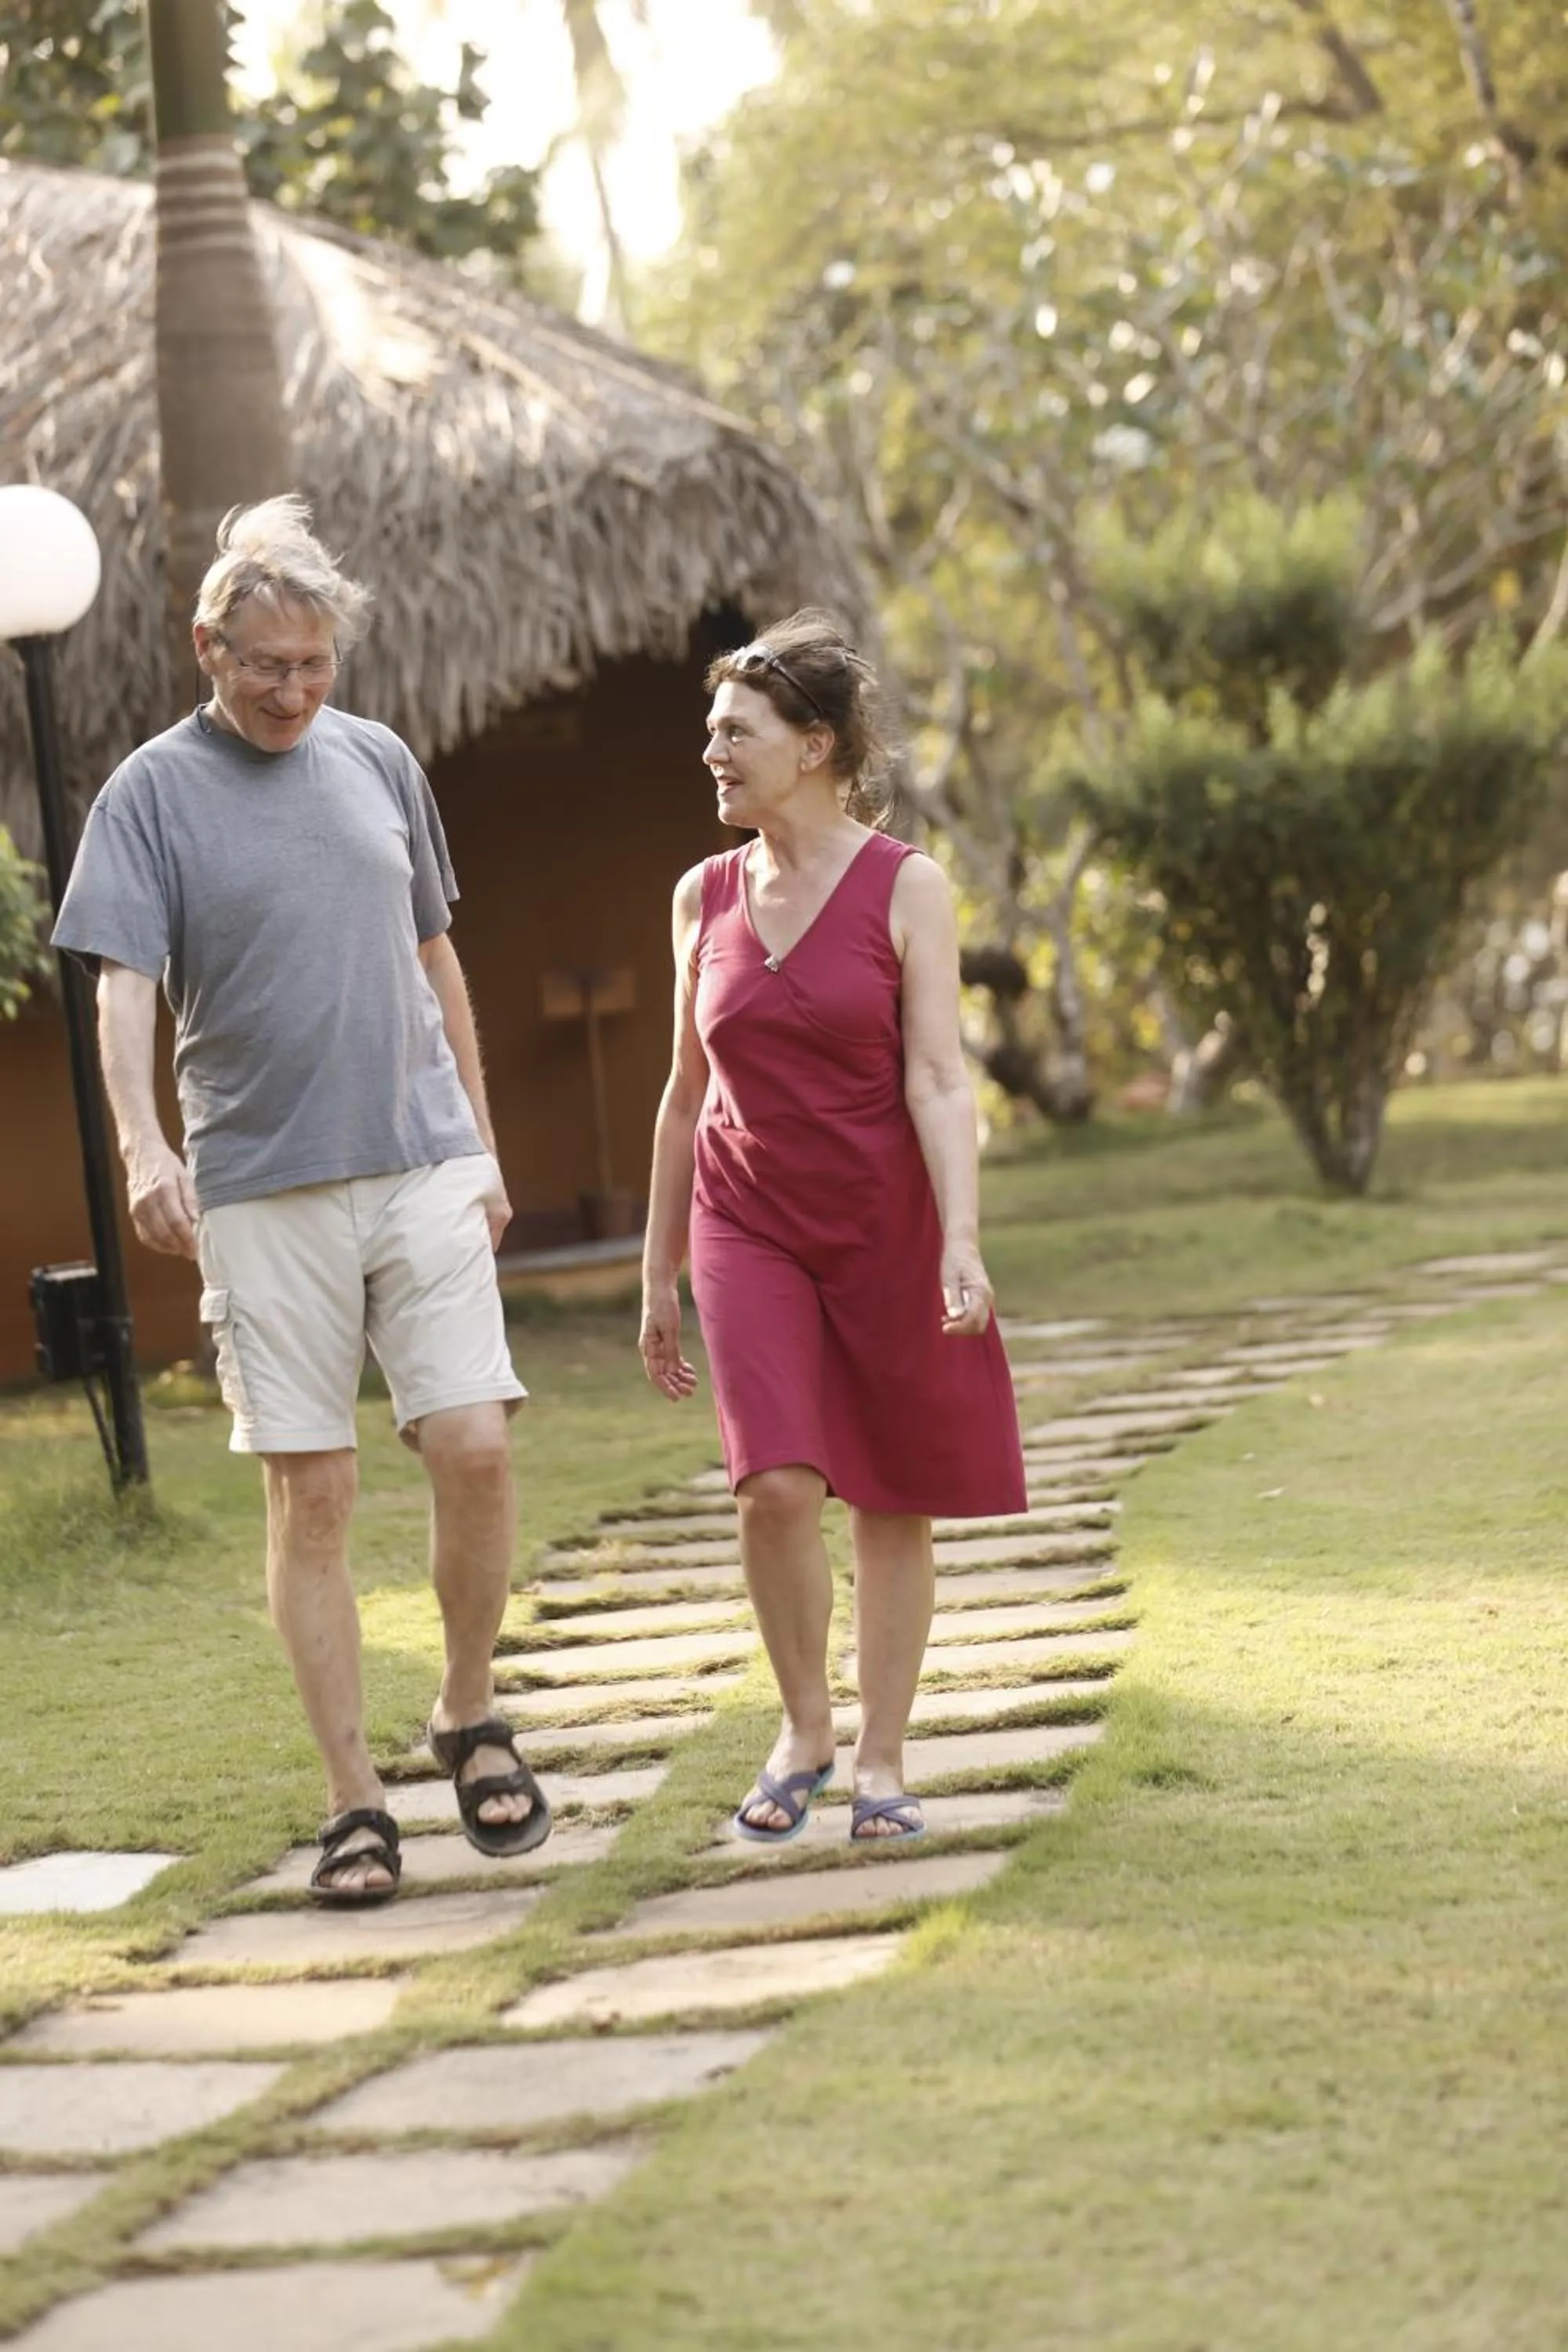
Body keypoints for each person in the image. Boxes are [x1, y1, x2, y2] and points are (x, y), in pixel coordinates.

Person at [52, 496, 551, 1904]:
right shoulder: (149, 793)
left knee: (474, 1444)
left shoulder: (381, 760)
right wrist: (151, 1152)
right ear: (206, 646)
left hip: (422, 1158)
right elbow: (121, 989)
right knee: (314, 1491)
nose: (294, 690)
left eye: (315, 664)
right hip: (262, 1186)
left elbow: (437, 959)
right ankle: (353, 1801)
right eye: (266, 663)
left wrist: (487, 1147)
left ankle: (466, 1708)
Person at [639, 610, 1027, 1845]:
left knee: (890, 1493)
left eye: (735, 732)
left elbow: (937, 1077)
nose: (713, 752)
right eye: (710, 731)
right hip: (744, 1218)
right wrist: (658, 1275)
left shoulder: (907, 885)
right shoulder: (700, 898)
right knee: (775, 1487)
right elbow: (683, 1090)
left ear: (812, 747)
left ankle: (880, 1757)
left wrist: (961, 1236)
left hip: (884, 1222)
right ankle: (803, 1724)